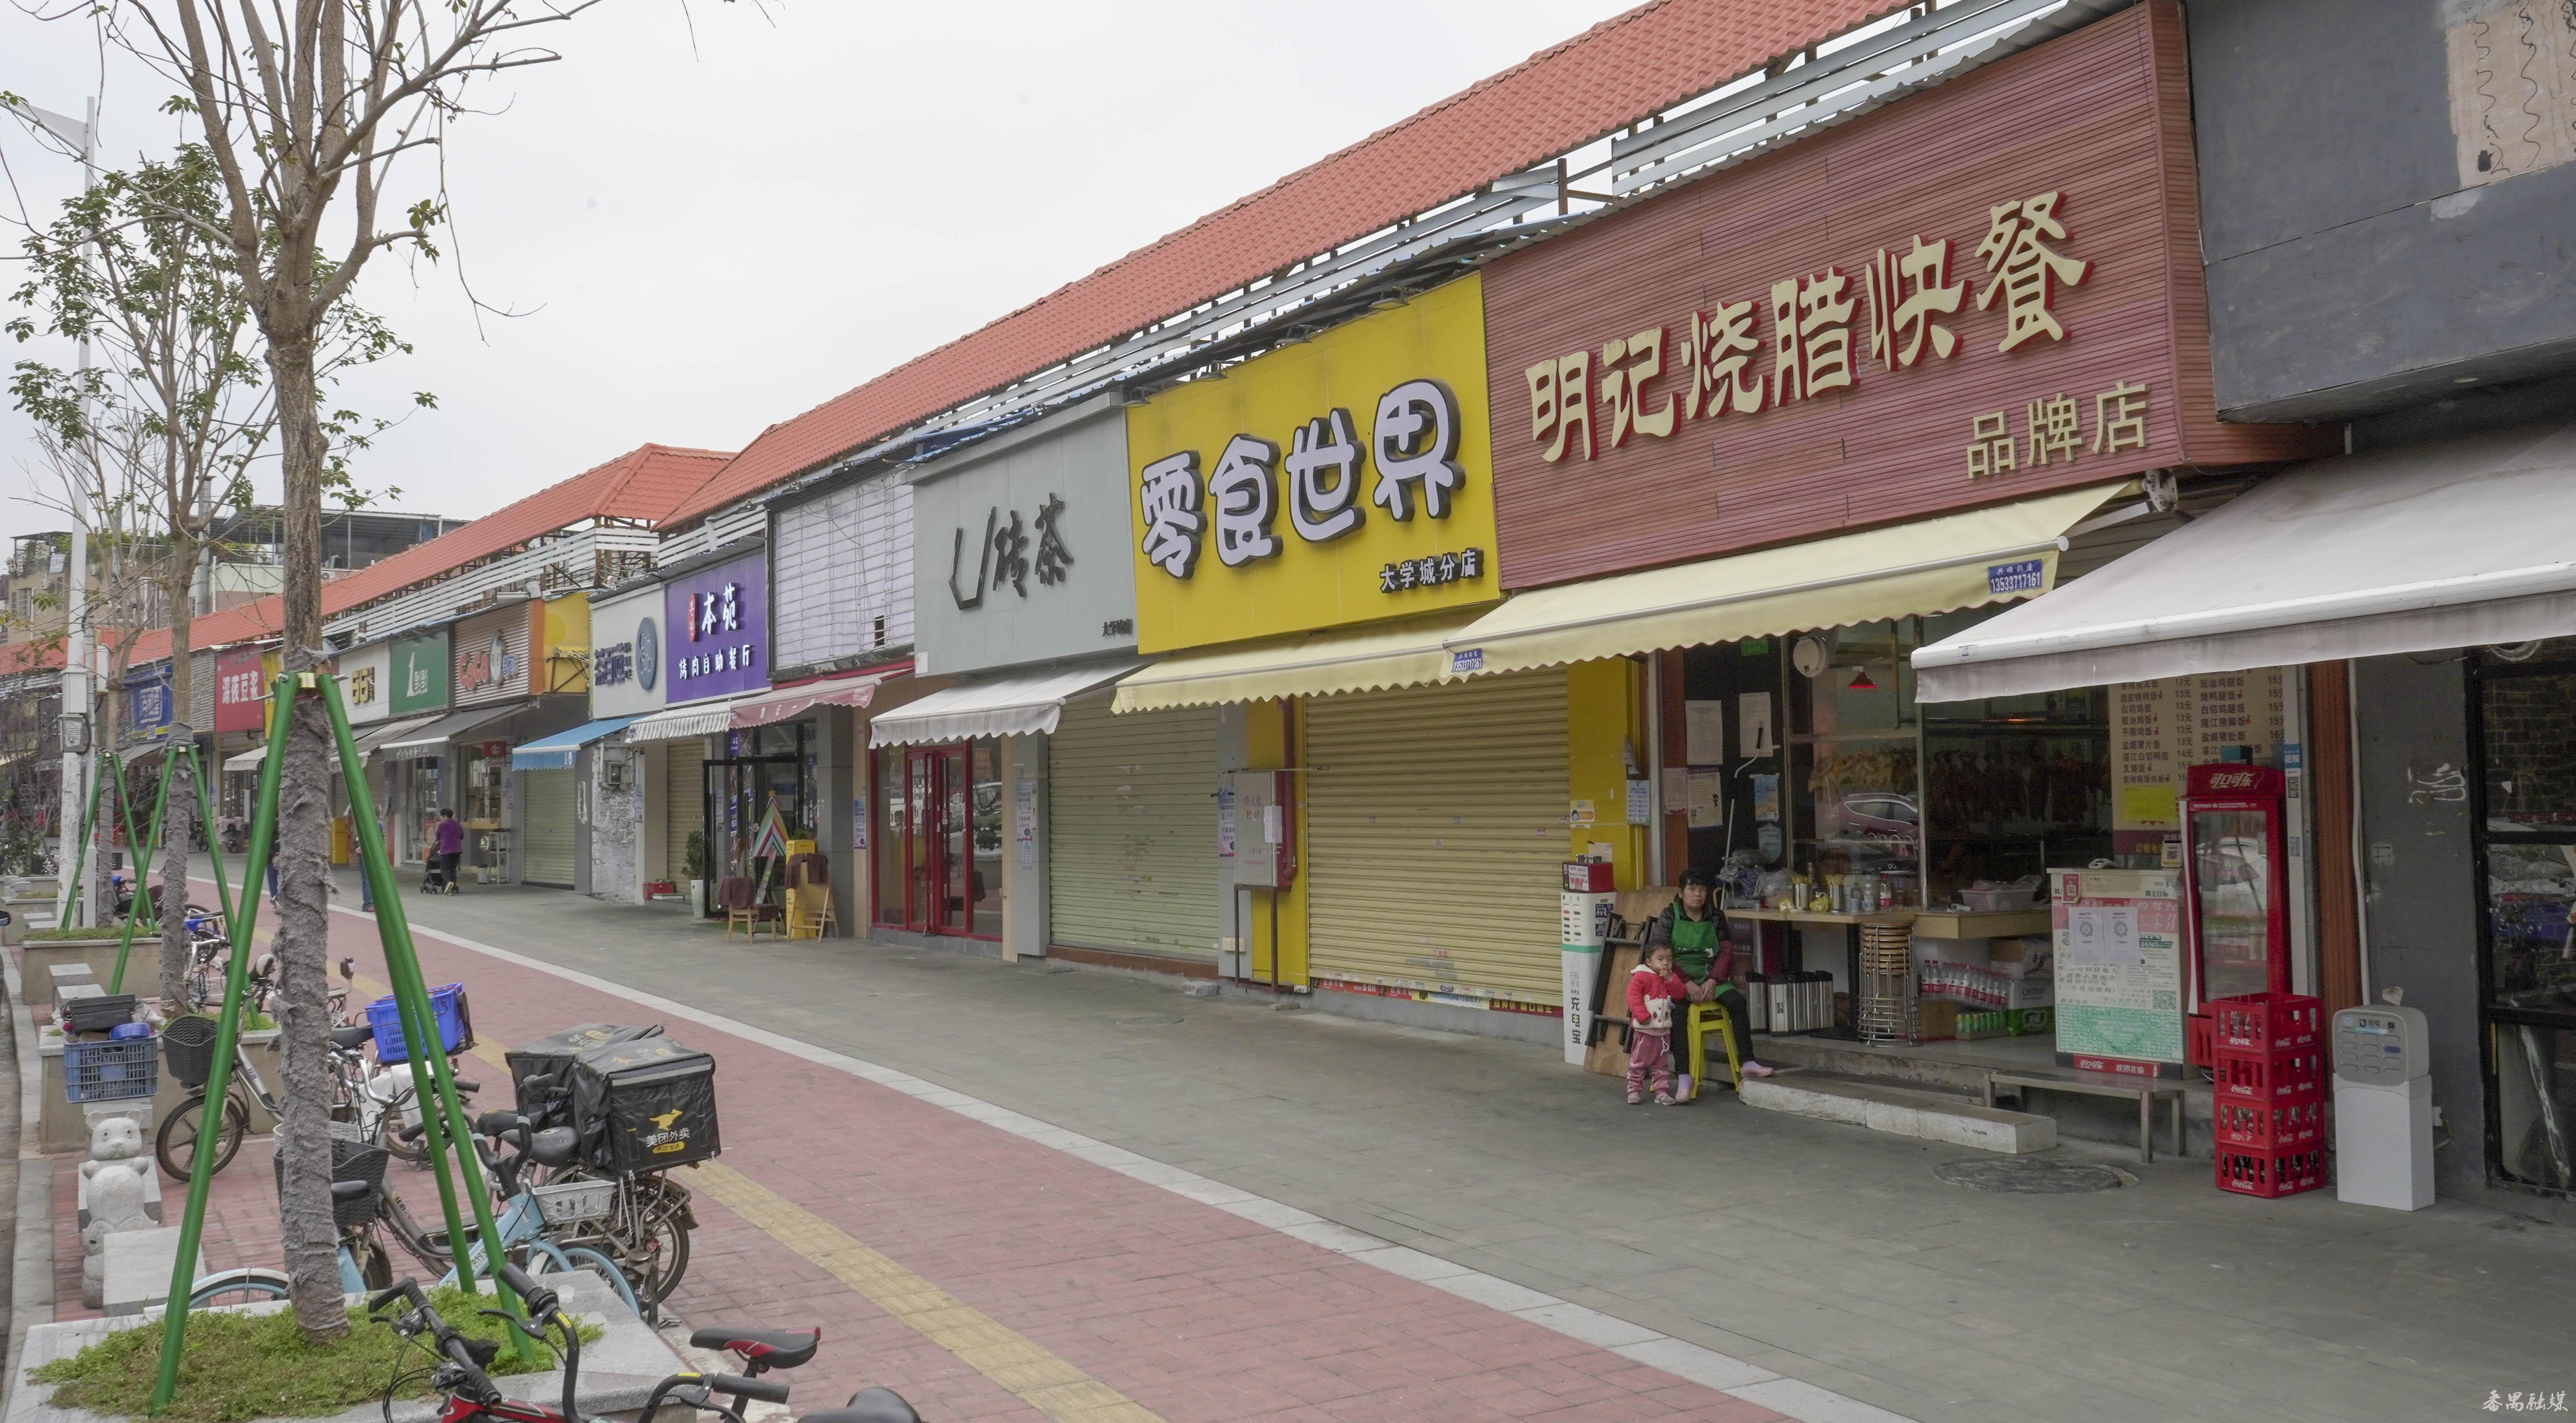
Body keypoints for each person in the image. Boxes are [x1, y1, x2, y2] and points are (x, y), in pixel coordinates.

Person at [1648, 868, 1774, 1082]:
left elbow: (1726, 951)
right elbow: (1660, 955)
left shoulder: (1716, 916)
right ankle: (1683, 1074)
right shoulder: (1670, 916)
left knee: (1737, 1003)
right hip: (1677, 977)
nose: (1697, 894)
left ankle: (1747, 1062)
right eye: (1692, 889)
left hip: (1710, 975)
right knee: (1678, 1013)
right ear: (1681, 893)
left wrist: (1714, 979)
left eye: (1701, 889)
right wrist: (1686, 982)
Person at [1625, 942, 1688, 1106]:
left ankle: (1661, 1092)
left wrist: (1670, 979)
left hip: (1663, 1032)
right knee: (1639, 1062)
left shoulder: (1669, 977)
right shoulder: (1641, 977)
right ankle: (1634, 1090)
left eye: (1669, 959)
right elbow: (1633, 997)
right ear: (1649, 962)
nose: (1666, 963)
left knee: (1661, 1065)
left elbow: (1680, 994)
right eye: (1660, 959)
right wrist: (1642, 1015)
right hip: (1645, 1030)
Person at [433, 808, 464, 894]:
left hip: (446, 850)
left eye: (441, 816)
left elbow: (438, 837)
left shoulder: (442, 825)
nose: (441, 818)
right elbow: (462, 836)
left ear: (445, 816)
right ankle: (453, 888)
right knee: (453, 870)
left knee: (444, 869)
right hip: (457, 850)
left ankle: (448, 883)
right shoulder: (458, 824)